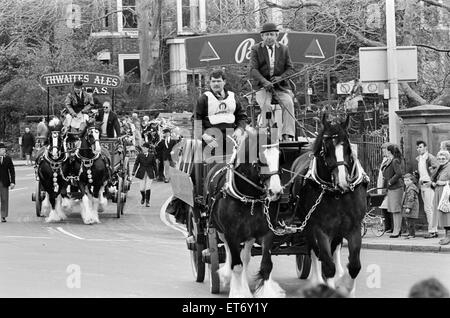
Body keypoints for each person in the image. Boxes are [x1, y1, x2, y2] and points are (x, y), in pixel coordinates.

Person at [249, 22, 296, 141]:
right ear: (262, 37)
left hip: (280, 87)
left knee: (289, 103)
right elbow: (253, 70)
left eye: (271, 34)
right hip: (263, 87)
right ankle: (268, 133)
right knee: (266, 106)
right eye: (266, 35)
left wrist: (281, 78)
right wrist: (265, 82)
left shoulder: (284, 49)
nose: (269, 37)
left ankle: (287, 135)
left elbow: (290, 68)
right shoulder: (256, 49)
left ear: (276, 36)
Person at [194, 68, 247, 158]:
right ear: (210, 83)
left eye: (218, 81)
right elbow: (195, 119)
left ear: (224, 82)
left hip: (231, 139)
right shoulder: (204, 98)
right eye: (213, 81)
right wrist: (204, 135)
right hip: (212, 140)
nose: (216, 84)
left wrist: (239, 130)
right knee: (215, 168)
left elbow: (242, 117)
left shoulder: (232, 97)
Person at [414, 141, 439, 239]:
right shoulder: (420, 158)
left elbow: (437, 170)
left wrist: (432, 182)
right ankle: (434, 230)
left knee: (429, 209)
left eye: (420, 147)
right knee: (428, 209)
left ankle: (432, 231)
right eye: (417, 147)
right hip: (423, 185)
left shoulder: (430, 158)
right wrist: (419, 179)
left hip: (429, 186)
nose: (418, 149)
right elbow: (423, 172)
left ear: (425, 148)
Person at [382, 144, 404, 238]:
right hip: (392, 188)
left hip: (396, 187)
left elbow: (399, 173)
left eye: (385, 150)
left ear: (389, 151)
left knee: (396, 210)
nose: (384, 151)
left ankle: (397, 230)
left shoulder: (395, 160)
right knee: (393, 210)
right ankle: (396, 229)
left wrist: (390, 182)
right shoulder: (390, 160)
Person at [431, 150, 450, 244]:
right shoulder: (440, 167)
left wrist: (444, 182)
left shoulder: (449, 167)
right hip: (439, 192)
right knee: (443, 215)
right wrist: (434, 183)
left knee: (446, 215)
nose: (441, 160)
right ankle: (446, 235)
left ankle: (448, 236)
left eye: (443, 158)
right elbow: (434, 178)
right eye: (439, 158)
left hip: (446, 194)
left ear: (447, 159)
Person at [132, 142, 157, 207]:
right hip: (142, 173)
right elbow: (136, 163)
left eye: (145, 148)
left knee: (148, 188)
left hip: (149, 173)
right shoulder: (140, 155)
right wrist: (133, 171)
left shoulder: (152, 155)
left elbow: (154, 165)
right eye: (143, 147)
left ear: (148, 148)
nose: (144, 149)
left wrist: (156, 173)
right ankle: (143, 197)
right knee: (142, 189)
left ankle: (147, 201)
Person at [377, 142, 393, 232]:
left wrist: (386, 186)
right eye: (382, 149)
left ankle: (390, 227)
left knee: (387, 206)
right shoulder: (384, 159)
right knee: (384, 207)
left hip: (388, 186)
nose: (383, 151)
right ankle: (387, 226)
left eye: (385, 149)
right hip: (383, 185)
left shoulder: (391, 159)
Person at [401, 173, 420, 239]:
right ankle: (410, 233)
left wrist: (408, 207)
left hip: (411, 208)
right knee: (409, 221)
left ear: (411, 181)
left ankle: (412, 234)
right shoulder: (408, 187)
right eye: (405, 180)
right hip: (409, 207)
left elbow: (411, 199)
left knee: (410, 222)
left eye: (407, 180)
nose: (405, 182)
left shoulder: (411, 189)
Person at [0, 143, 15, 222]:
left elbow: (12, 171)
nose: (3, 151)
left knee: (4, 199)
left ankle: (3, 216)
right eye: (2, 149)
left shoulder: (8, 158)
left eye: (4, 149)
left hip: (4, 182)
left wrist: (13, 182)